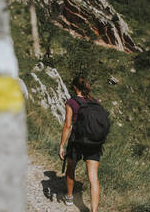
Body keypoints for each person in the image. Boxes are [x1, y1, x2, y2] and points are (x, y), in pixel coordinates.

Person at [59, 76, 101, 212]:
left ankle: (70, 197)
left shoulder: (71, 102)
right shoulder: (94, 101)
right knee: (93, 176)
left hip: (77, 141)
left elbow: (68, 125)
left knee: (71, 166)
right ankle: (93, 210)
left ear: (75, 87)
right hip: (94, 141)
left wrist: (62, 145)